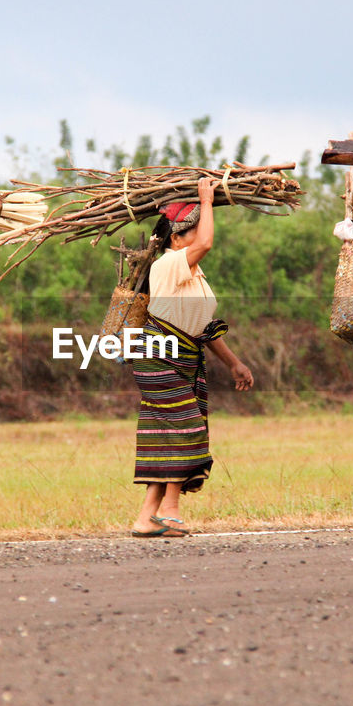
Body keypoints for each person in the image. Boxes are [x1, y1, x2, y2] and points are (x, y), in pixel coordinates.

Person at [130, 177, 254, 537]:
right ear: (175, 238)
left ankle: (148, 518)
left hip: (185, 360)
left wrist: (234, 363)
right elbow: (208, 242)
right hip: (158, 359)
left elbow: (204, 327)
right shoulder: (168, 265)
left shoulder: (195, 274)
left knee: (169, 436)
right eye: (193, 232)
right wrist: (206, 199)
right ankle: (169, 510)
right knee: (188, 431)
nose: (200, 238)